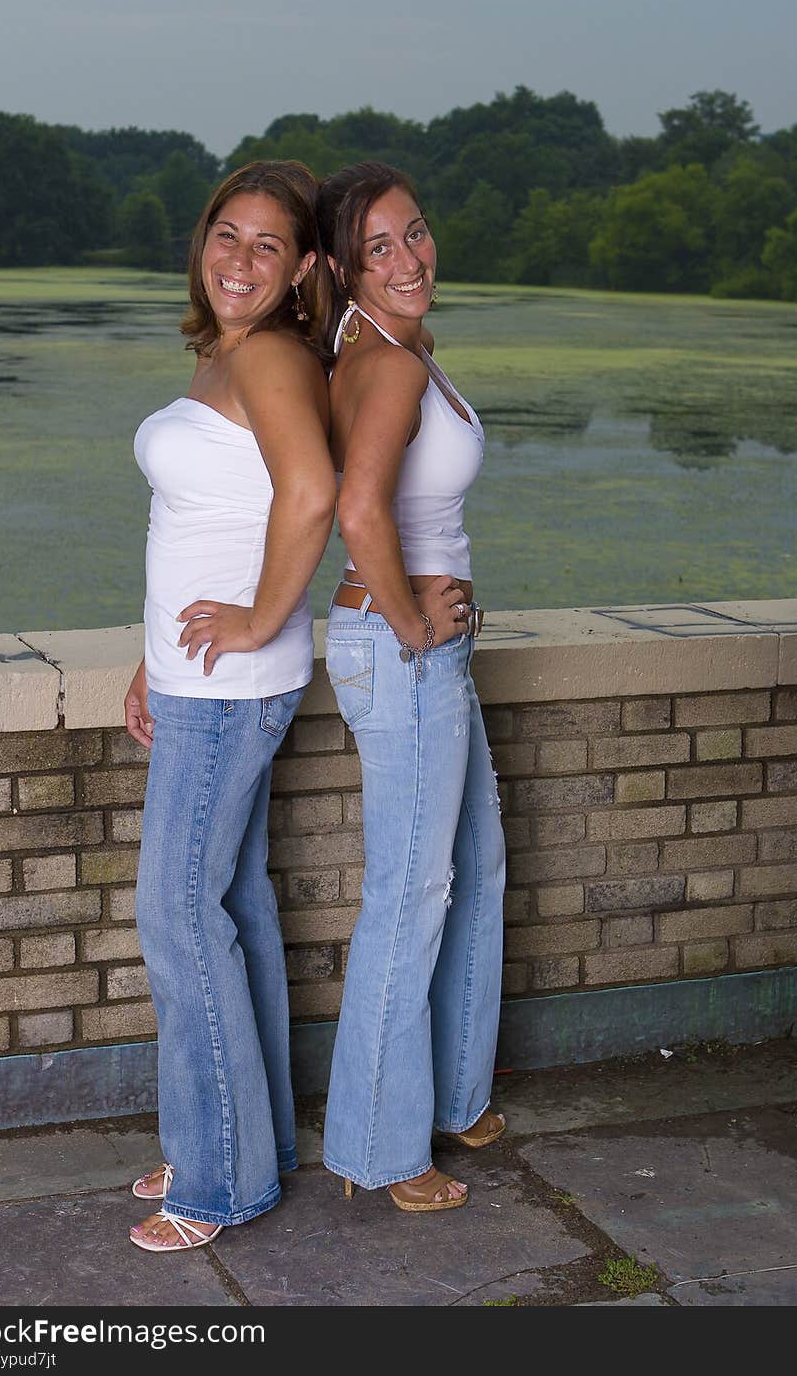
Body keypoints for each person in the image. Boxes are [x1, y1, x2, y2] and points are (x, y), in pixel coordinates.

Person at [122, 161, 335, 1252]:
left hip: (232, 685)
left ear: (301, 268)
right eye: (225, 235)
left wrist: (255, 619)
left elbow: (312, 494)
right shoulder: (226, 355)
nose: (238, 260)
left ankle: (218, 1181)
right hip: (196, 679)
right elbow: (196, 520)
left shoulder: (268, 355)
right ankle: (246, 1141)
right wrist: (151, 655)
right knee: (234, 907)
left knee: (176, 916)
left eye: (266, 246)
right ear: (202, 241)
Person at [316, 162, 506, 1213]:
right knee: (410, 895)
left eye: (416, 234)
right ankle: (380, 1147)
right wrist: (410, 621)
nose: (408, 258)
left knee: (473, 866)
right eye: (379, 247)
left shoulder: (396, 349)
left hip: (423, 652)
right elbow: (356, 512)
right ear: (345, 266)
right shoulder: (384, 366)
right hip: (402, 655)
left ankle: (453, 1094)